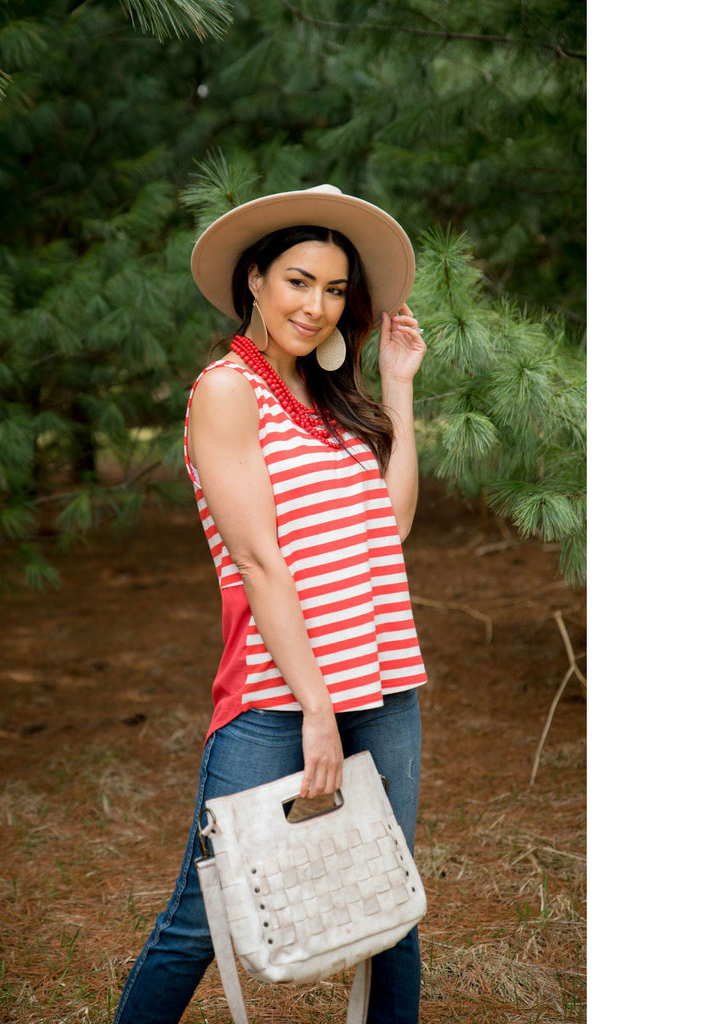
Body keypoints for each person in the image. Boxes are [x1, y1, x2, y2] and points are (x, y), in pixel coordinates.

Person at [113, 185, 430, 1023]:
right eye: (298, 281)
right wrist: (316, 711)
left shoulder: (332, 404)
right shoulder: (226, 391)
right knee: (203, 916)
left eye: (333, 290)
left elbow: (390, 526)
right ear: (253, 279)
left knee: (390, 907)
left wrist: (397, 389)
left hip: (384, 679)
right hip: (275, 695)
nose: (316, 306)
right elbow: (258, 560)